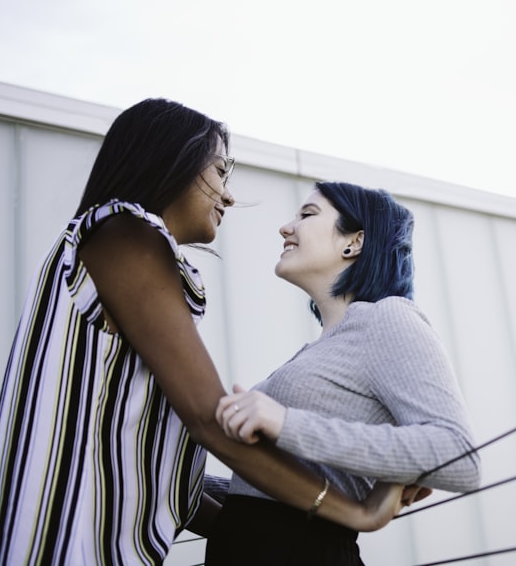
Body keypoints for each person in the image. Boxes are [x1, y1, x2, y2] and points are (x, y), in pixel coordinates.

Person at [0, 100, 404, 566]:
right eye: (220, 170)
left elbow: (184, 497)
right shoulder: (122, 233)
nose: (228, 196)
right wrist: (354, 511)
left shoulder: (124, 254)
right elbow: (209, 418)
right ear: (170, 159)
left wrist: (313, 515)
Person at [205, 181, 482, 565]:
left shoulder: (388, 317)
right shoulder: (323, 346)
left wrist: (286, 422)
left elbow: (459, 457)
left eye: (307, 215)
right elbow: (267, 497)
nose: (286, 227)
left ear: (353, 242)